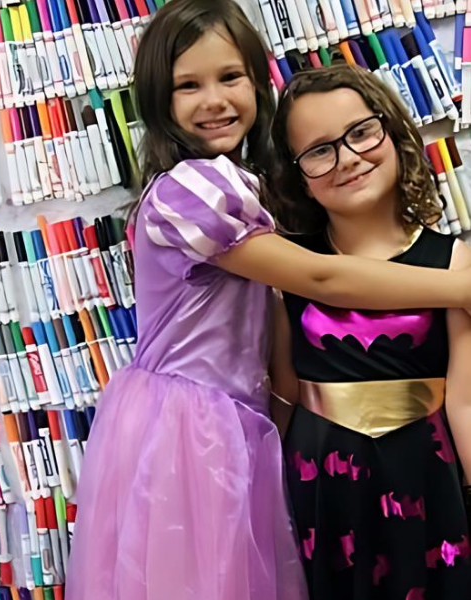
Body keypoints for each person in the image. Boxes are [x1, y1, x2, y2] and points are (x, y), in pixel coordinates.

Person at [65, 1, 471, 599]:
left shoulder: (241, 184)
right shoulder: (193, 189)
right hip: (189, 424)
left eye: (230, 78)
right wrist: (461, 285)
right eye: (187, 85)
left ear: (257, 82)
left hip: (236, 422)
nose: (214, 100)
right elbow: (322, 280)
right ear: (158, 101)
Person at [267, 65, 471, 600]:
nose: (348, 158)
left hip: (425, 477)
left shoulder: (452, 262)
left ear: (394, 134)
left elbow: (466, 405)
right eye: (319, 150)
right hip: (318, 486)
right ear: (298, 177)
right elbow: (283, 395)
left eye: (360, 132)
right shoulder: (288, 266)